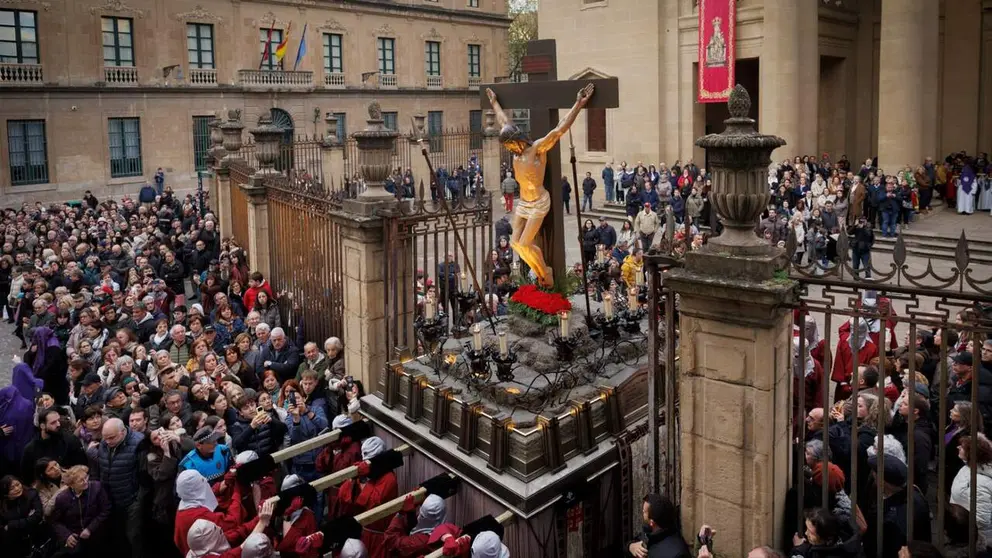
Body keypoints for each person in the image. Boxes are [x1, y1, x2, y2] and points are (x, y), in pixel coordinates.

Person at [94, 417, 145, 558]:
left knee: (132, 535)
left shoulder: (139, 443)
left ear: (122, 432)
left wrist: (138, 499)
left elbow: (144, 475)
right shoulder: (105, 443)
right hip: (109, 499)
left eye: (111, 438)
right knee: (116, 535)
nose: (108, 442)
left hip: (131, 499)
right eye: (105, 438)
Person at [49, 465, 112, 556]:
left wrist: (90, 529)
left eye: (86, 477)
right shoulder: (62, 498)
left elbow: (105, 510)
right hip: (75, 537)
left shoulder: (96, 487)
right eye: (80, 480)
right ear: (71, 485)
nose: (86, 481)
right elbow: (56, 521)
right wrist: (67, 535)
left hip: (96, 534)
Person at [20, 408, 87, 484]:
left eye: (58, 420)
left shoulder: (70, 440)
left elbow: (82, 465)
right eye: (53, 423)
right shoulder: (31, 449)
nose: (58, 424)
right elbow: (27, 477)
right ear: (42, 426)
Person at [625, 493, 690, 558]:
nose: (642, 512)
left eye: (644, 512)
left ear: (652, 522)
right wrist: (631, 546)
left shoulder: (678, 554)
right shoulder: (649, 531)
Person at [0, 474, 46, 557]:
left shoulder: (31, 494)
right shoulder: (2, 504)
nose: (17, 489)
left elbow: (37, 516)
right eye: (11, 488)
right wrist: (28, 519)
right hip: (12, 542)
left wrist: (11, 524)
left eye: (17, 484)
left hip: (34, 536)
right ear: (5, 493)